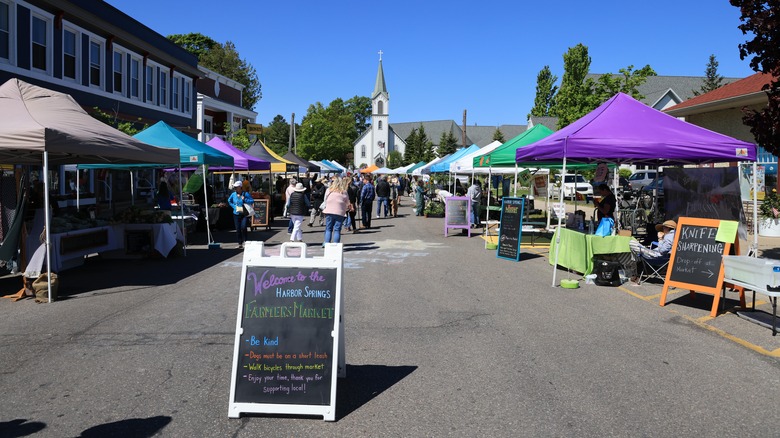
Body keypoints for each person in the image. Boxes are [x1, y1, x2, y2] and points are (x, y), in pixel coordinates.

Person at [627, 219, 677, 284]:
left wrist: (660, 239)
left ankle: (635, 268)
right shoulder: (672, 235)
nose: (662, 229)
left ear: (667, 228)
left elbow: (663, 250)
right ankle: (636, 265)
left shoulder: (669, 236)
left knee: (632, 243)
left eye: (663, 227)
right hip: (658, 255)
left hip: (656, 256)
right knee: (636, 247)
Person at [322, 177, 349, 245]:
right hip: (340, 212)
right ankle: (336, 244)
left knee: (328, 228)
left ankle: (327, 243)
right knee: (337, 229)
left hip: (329, 211)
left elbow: (325, 199)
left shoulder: (329, 190)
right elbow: (347, 202)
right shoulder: (344, 192)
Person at [227, 180, 254, 249]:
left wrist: (245, 199)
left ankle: (245, 241)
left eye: (236, 187)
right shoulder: (233, 194)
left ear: (240, 187)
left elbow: (252, 201)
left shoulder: (245, 194)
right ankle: (240, 243)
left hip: (244, 213)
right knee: (238, 229)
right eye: (235, 187)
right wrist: (234, 207)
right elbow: (229, 201)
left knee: (243, 227)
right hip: (236, 213)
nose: (235, 188)